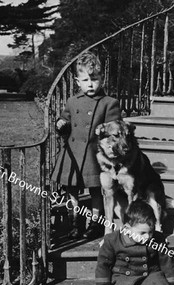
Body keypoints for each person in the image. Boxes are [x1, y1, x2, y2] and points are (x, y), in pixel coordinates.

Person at [51, 51, 121, 239]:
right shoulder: (73, 101)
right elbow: (65, 119)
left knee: (96, 190)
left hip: (94, 155)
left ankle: (95, 223)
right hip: (73, 153)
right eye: (85, 80)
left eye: (94, 79)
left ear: (102, 79)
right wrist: (60, 124)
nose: (90, 84)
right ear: (77, 81)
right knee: (72, 190)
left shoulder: (109, 103)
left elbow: (114, 130)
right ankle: (74, 222)